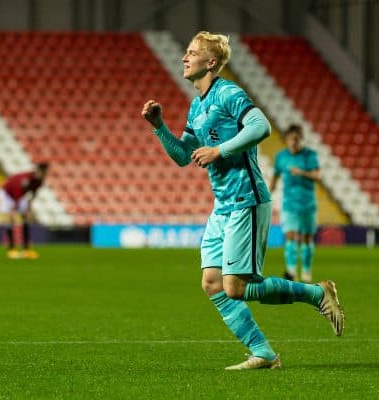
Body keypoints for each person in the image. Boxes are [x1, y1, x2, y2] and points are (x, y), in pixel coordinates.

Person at [141, 31, 344, 370]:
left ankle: (317, 294)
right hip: (222, 205)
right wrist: (159, 126)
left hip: (246, 200)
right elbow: (183, 157)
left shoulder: (228, 93)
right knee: (212, 283)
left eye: (191, 52)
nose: (184, 58)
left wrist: (220, 149)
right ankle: (263, 352)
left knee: (235, 287)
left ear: (211, 62)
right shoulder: (197, 106)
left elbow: (261, 126)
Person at [269, 124, 321, 283]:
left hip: (307, 203)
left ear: (301, 139)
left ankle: (306, 272)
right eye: (291, 139)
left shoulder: (310, 155)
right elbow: (275, 176)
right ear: (286, 140)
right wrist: (268, 193)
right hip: (289, 204)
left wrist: (302, 173)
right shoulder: (281, 157)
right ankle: (291, 272)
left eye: (296, 139)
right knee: (290, 238)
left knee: (306, 239)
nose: (293, 143)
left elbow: (317, 176)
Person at [0, 162, 49, 259]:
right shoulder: (26, 179)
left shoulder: (40, 181)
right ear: (37, 171)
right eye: (42, 172)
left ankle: (26, 250)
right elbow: (18, 190)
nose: (43, 174)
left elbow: (33, 193)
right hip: (7, 193)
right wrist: (14, 207)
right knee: (10, 218)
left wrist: (29, 206)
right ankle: (11, 250)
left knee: (25, 218)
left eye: (44, 173)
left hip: (20, 195)